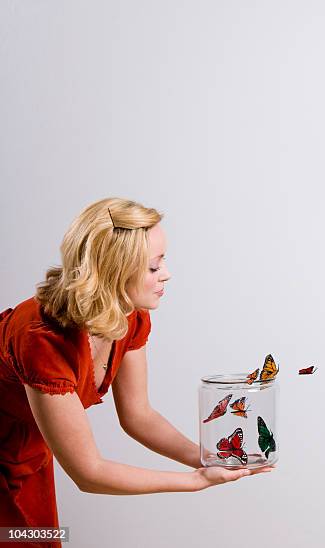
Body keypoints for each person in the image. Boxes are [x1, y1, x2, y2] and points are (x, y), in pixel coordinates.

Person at [0, 198, 273, 547]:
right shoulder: (42, 339)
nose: (167, 274)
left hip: (29, 456)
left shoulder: (128, 315)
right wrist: (196, 480)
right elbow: (89, 474)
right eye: (153, 267)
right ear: (113, 271)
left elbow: (138, 416)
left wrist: (210, 458)